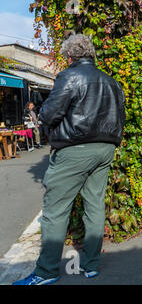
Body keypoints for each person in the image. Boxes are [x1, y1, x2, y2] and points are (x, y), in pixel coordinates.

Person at [13, 34, 126, 285]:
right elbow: (120, 117)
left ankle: (46, 272)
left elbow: (50, 113)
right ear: (91, 54)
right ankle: (91, 265)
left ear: (70, 56)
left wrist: (45, 121)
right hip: (105, 148)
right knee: (94, 205)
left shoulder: (69, 76)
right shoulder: (112, 82)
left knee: (55, 208)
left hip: (75, 148)